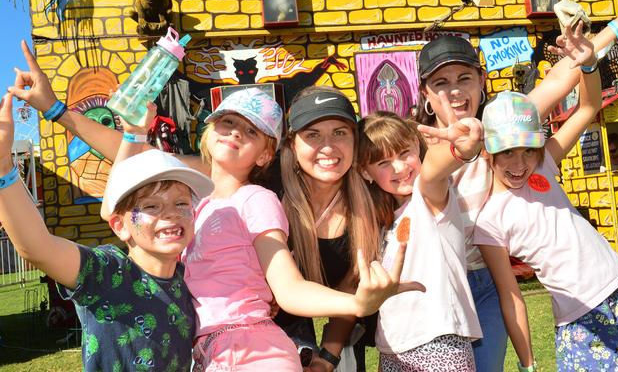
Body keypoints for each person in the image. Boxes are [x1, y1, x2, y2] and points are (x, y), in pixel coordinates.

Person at [414, 0, 618, 372]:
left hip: (489, 281)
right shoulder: (417, 147)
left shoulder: (504, 129)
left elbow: (567, 75)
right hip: (441, 284)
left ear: (481, 81)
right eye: (441, 83)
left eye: (464, 78)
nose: (455, 91)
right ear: (426, 93)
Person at [124, 87, 423, 370]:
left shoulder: (257, 199)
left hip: (252, 349)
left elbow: (288, 286)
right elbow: (122, 205)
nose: (236, 132)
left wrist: (354, 310)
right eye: (227, 121)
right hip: (214, 348)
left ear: (266, 153)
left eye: (251, 130)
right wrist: (132, 133)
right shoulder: (195, 205)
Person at [0, 92, 215, 370]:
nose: (171, 213)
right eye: (151, 206)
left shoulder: (192, 281)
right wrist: (5, 168)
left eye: (181, 203)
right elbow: (37, 248)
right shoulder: (106, 272)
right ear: (120, 225)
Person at [474, 35, 618, 371]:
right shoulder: (488, 221)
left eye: (527, 149)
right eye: (507, 151)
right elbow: (511, 296)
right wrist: (527, 363)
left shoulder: (544, 164)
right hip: (577, 315)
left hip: (617, 285)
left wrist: (588, 65)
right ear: (488, 152)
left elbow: (588, 106)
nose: (519, 162)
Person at [358, 106, 483, 371]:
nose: (400, 167)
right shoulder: (381, 224)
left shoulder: (429, 197)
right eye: (383, 162)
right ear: (365, 172)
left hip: (440, 342)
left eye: (405, 153)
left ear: (417, 145)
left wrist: (459, 149)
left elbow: (433, 171)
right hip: (392, 349)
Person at [278, 85, 386, 371]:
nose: (328, 147)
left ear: (355, 141)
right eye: (313, 134)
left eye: (340, 132)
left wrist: (327, 357)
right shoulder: (269, 193)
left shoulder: (372, 203)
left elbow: (353, 286)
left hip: (344, 336)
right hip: (272, 343)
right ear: (292, 144)